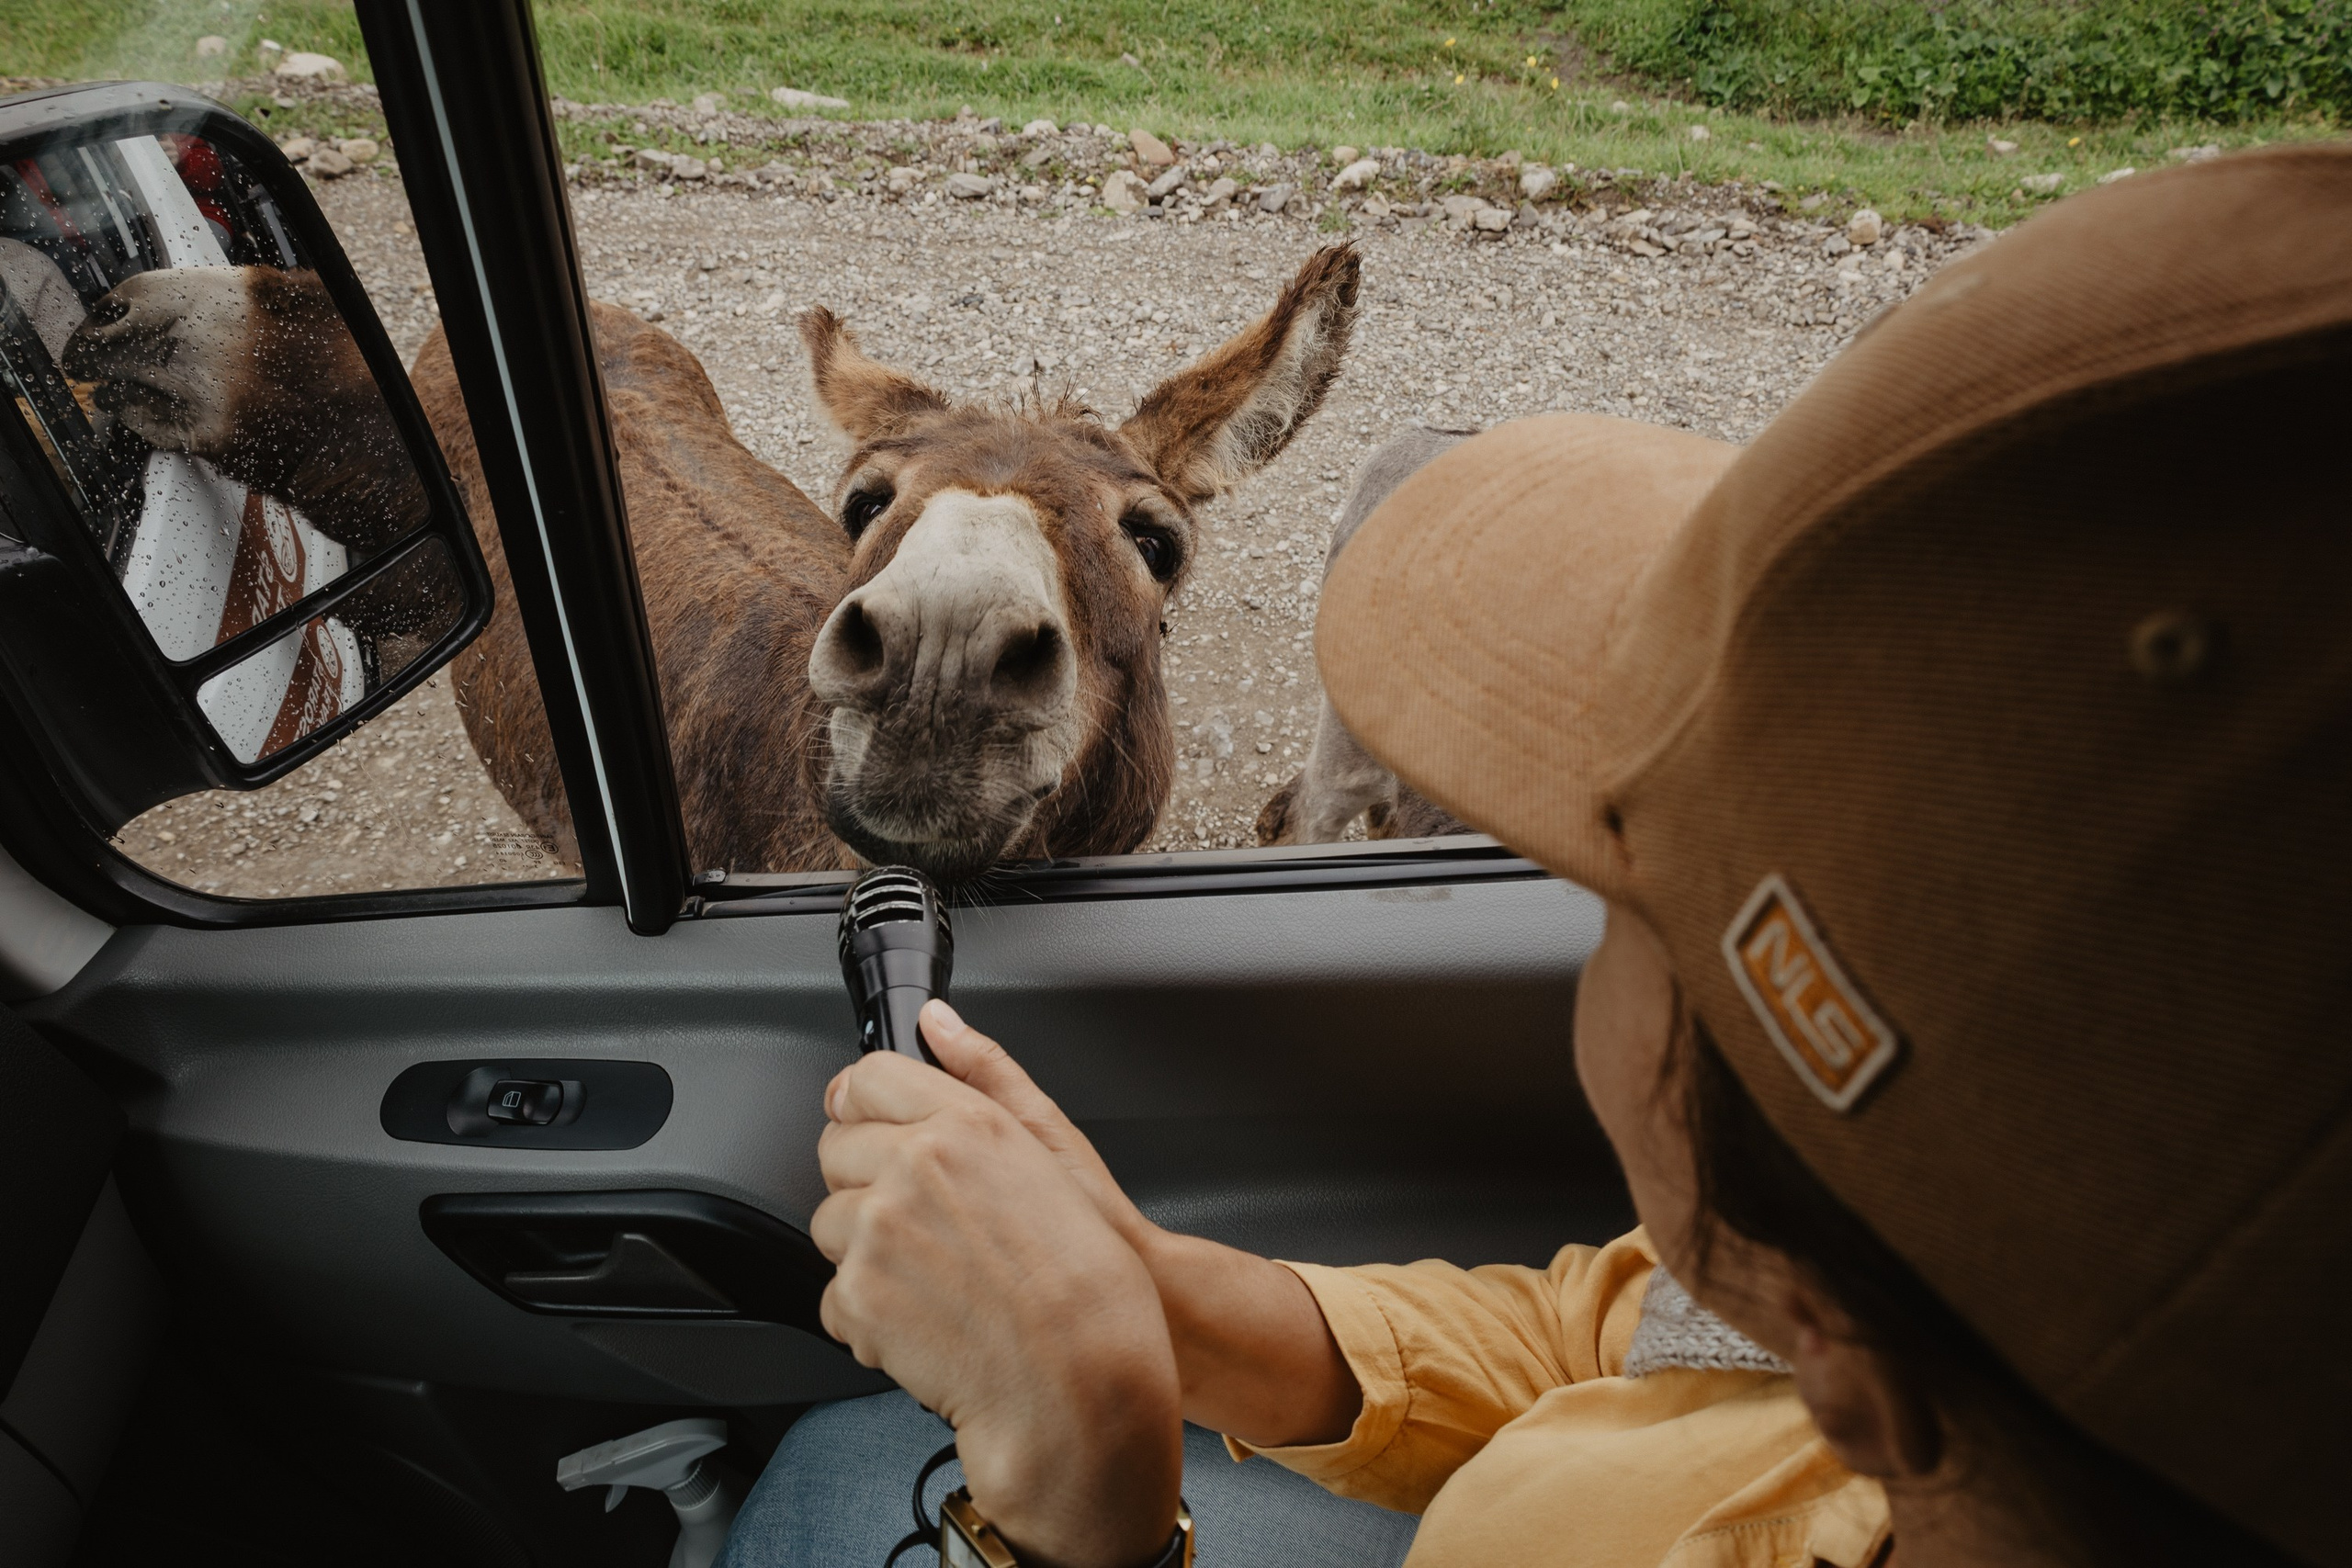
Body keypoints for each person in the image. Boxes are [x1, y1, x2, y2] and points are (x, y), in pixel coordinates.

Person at [720, 143, 2352, 1568]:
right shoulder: (1868, 1292)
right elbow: (1631, 1339)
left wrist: (1093, 1516)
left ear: (1859, 1358)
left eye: (1630, 882)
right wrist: (1149, 1285)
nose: (1595, 908)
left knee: (824, 1490)